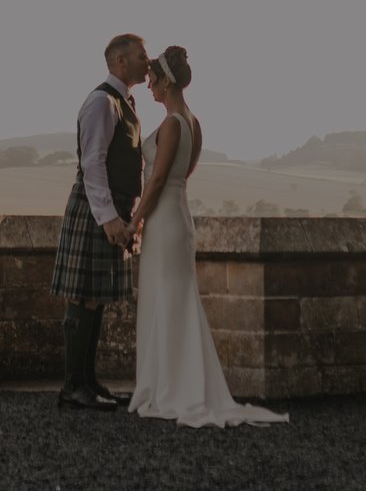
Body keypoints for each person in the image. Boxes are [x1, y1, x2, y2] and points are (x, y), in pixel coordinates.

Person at [126, 45, 287, 428]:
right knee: (175, 300)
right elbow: (184, 174)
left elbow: (159, 178)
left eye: (152, 81)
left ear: (166, 81)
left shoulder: (171, 124)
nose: (149, 87)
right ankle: (179, 383)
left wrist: (135, 221)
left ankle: (169, 388)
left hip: (165, 221)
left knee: (167, 300)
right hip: (179, 217)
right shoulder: (194, 123)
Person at [50, 32, 146, 409]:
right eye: (141, 55)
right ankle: (73, 387)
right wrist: (108, 218)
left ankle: (87, 382)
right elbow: (92, 164)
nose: (146, 61)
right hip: (95, 207)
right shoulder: (101, 102)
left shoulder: (124, 102)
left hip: (111, 207)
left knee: (96, 298)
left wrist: (128, 217)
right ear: (120, 62)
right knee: (83, 296)